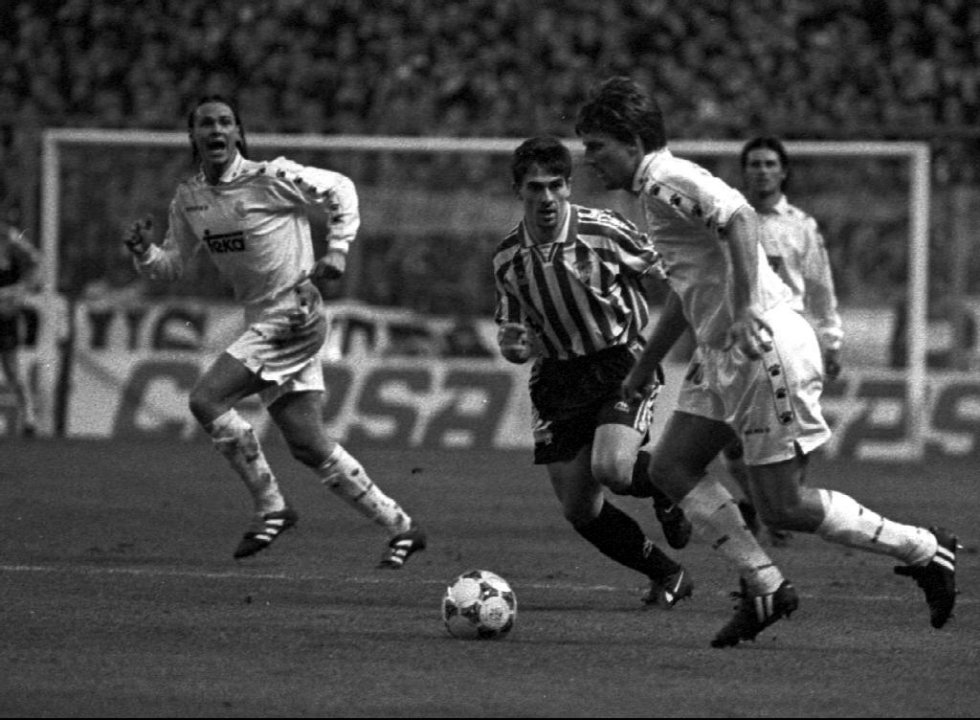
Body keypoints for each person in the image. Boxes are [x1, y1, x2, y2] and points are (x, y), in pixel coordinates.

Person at [575, 76, 958, 646]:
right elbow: (686, 290)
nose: (589, 159)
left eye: (596, 146)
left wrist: (749, 304)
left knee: (781, 506)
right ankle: (765, 585)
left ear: (631, 142)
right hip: (723, 353)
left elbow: (740, 217)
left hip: (762, 345)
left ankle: (925, 550)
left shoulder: (663, 179)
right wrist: (642, 367)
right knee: (670, 468)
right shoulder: (653, 194)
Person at [123, 95, 426, 568]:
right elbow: (173, 265)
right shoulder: (189, 198)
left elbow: (341, 188)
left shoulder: (271, 177)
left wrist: (338, 248)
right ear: (193, 136)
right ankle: (402, 527)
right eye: (207, 124)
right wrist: (144, 253)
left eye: (226, 122)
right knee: (307, 443)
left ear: (239, 133)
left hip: (293, 313)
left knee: (206, 400)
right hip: (262, 318)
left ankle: (271, 507)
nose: (217, 130)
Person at [492, 135, 692, 609]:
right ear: (519, 190)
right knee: (580, 509)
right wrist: (512, 346)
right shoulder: (507, 259)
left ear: (568, 186)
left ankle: (667, 485)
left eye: (555, 185)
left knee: (613, 468)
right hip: (557, 380)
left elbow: (672, 273)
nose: (547, 197)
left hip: (619, 364)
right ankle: (668, 573)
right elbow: (514, 335)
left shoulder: (605, 231)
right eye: (535, 187)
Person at [721, 136, 846, 547]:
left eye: (769, 164)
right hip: (740, 338)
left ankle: (782, 506)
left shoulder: (800, 225)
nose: (762, 171)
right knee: (730, 441)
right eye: (754, 164)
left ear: (783, 171)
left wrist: (831, 340)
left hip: (788, 341)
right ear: (744, 172)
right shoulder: (728, 220)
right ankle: (766, 505)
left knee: (790, 436)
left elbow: (820, 286)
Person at [0, 220, 40, 437]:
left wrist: (20, 290)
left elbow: (35, 261)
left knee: (12, 369)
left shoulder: (14, 258)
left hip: (6, 319)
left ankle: (29, 415)